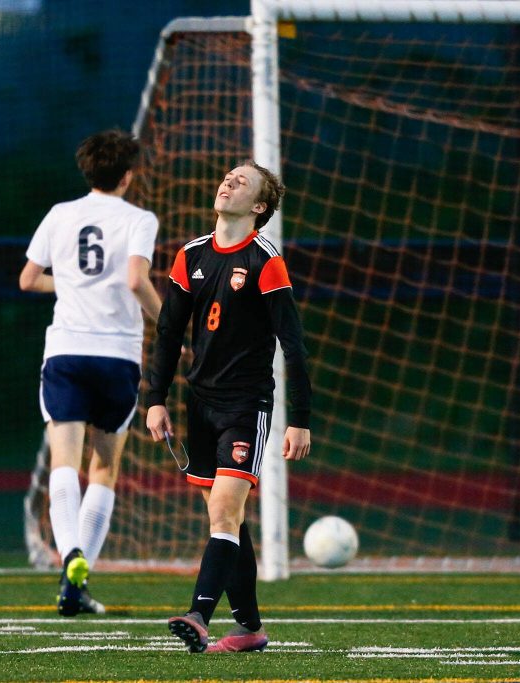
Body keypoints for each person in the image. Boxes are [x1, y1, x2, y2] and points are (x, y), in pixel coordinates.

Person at [145, 161, 311, 653]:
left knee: (223, 512)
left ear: (259, 207)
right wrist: (155, 400)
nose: (227, 182)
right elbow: (168, 333)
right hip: (200, 404)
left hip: (246, 406)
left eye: (242, 182)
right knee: (230, 522)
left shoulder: (265, 261)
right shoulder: (190, 255)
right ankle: (250, 629)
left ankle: (199, 615)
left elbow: (294, 346)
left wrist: (299, 420)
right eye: (227, 177)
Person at [20, 129, 162, 616]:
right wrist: (170, 324)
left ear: (87, 170)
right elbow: (135, 279)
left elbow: (27, 278)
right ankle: (78, 579)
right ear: (127, 176)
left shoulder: (61, 214)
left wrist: (74, 282)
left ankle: (70, 560)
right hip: (117, 355)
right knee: (104, 468)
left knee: (65, 463)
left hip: (66, 351)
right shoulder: (140, 219)